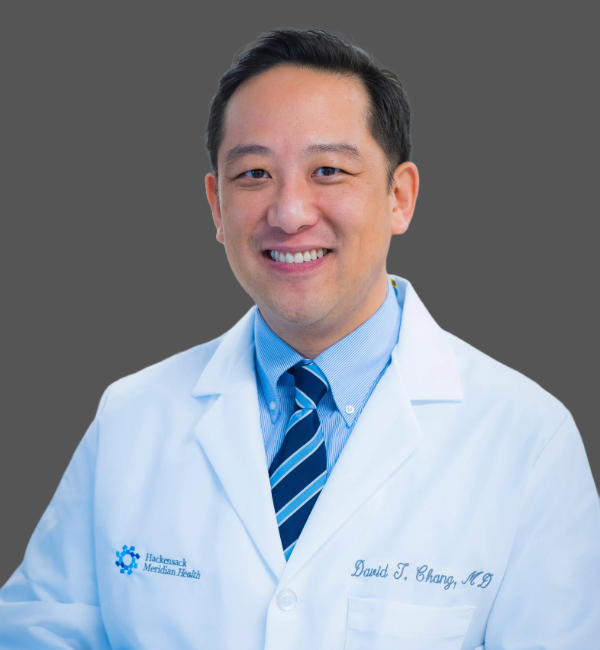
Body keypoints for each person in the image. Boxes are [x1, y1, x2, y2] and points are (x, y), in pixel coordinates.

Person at [0, 27, 598, 650]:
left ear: (399, 197)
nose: (289, 213)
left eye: (328, 171)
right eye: (254, 173)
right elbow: (36, 633)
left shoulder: (529, 440)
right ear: (216, 205)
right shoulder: (131, 418)